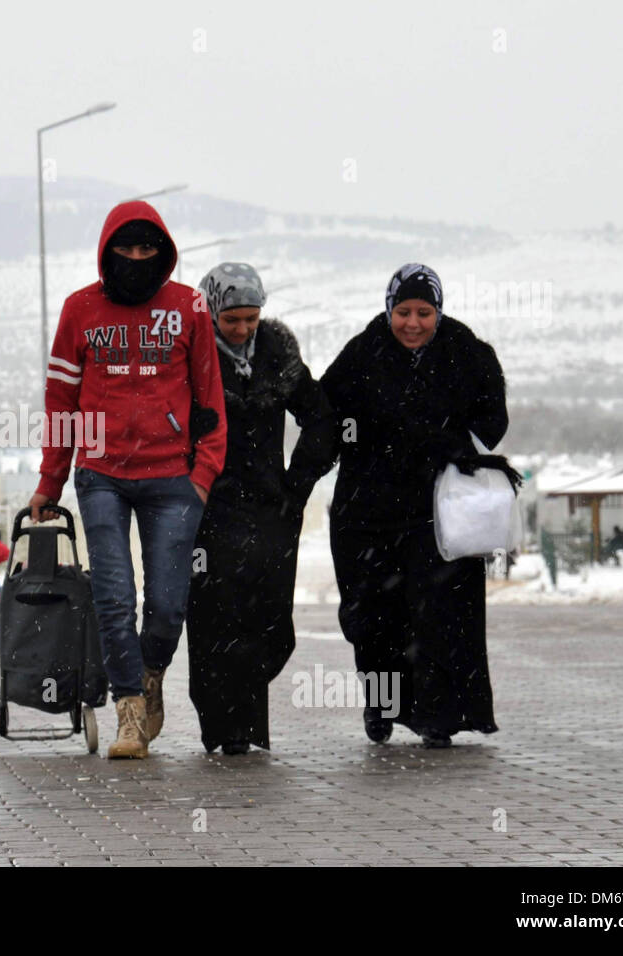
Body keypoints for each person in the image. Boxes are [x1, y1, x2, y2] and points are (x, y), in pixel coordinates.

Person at [28, 200, 227, 759]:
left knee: (166, 603)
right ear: (106, 250)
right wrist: (52, 478)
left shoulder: (188, 307)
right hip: (101, 476)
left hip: (174, 480)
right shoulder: (78, 311)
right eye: (127, 248)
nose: (137, 258)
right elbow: (61, 402)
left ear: (162, 252)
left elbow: (210, 400)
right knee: (115, 597)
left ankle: (152, 672)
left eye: (148, 249)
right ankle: (129, 712)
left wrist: (203, 476)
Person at [321, 263, 515, 748]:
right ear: (389, 309)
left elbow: (492, 419)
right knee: (375, 617)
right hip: (368, 513)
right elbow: (325, 418)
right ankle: (383, 705)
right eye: (403, 312)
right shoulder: (362, 353)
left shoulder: (465, 352)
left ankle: (438, 717)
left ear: (439, 311)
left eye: (424, 312)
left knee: (441, 617)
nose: (413, 323)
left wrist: (452, 443)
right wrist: (293, 484)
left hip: (440, 512)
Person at [186, 263, 337, 755]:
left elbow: (321, 420)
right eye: (232, 320)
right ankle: (228, 730)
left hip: (271, 510)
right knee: (216, 621)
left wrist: (296, 486)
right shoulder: (192, 357)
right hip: (210, 511)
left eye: (252, 319)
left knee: (270, 623)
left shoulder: (277, 355)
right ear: (211, 312)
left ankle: (243, 720)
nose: (243, 329)